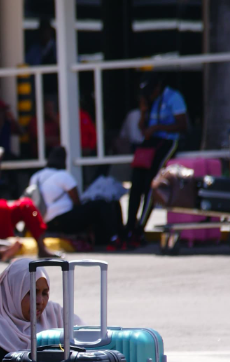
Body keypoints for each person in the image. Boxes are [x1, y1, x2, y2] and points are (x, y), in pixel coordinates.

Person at [124, 72, 187, 248]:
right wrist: (144, 112)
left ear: (158, 88)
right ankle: (129, 226)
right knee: (136, 184)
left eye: (151, 92)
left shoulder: (174, 97)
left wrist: (158, 127)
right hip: (150, 144)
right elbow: (143, 129)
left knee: (150, 185)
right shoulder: (149, 99)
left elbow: (183, 126)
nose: (149, 95)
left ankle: (139, 228)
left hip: (167, 142)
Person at [30, 147, 123, 245]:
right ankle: (113, 238)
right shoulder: (63, 175)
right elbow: (77, 202)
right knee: (102, 204)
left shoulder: (36, 177)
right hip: (64, 221)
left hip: (45, 223)